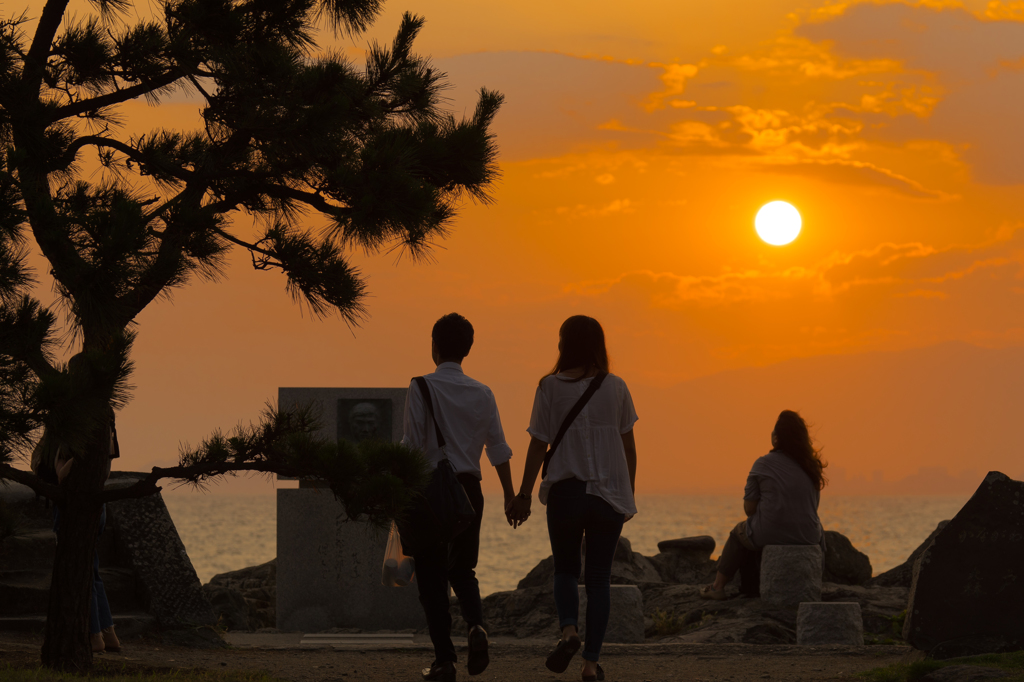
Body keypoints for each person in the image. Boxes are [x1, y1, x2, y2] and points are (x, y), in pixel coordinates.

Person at [506, 315, 638, 682]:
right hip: (608, 496)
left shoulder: (549, 386)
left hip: (566, 492)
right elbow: (629, 447)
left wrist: (523, 494)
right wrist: (626, 494)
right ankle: (591, 665)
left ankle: (568, 632)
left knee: (565, 569)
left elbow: (538, 444)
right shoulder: (617, 386)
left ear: (564, 344)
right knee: (598, 579)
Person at [402, 313, 517, 682]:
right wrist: (510, 496)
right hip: (469, 489)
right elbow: (497, 449)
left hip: (430, 490)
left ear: (434, 346)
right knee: (463, 569)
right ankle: (476, 626)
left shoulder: (420, 386)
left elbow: (411, 445)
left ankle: (445, 661)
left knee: (432, 576)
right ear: (468, 349)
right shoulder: (483, 393)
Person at [701, 409, 827, 601]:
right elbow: (812, 506)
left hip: (770, 532)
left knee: (738, 533)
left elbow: (749, 509)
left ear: (777, 437)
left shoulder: (763, 464)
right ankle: (818, 582)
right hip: (809, 535)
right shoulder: (811, 467)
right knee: (820, 531)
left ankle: (717, 587)